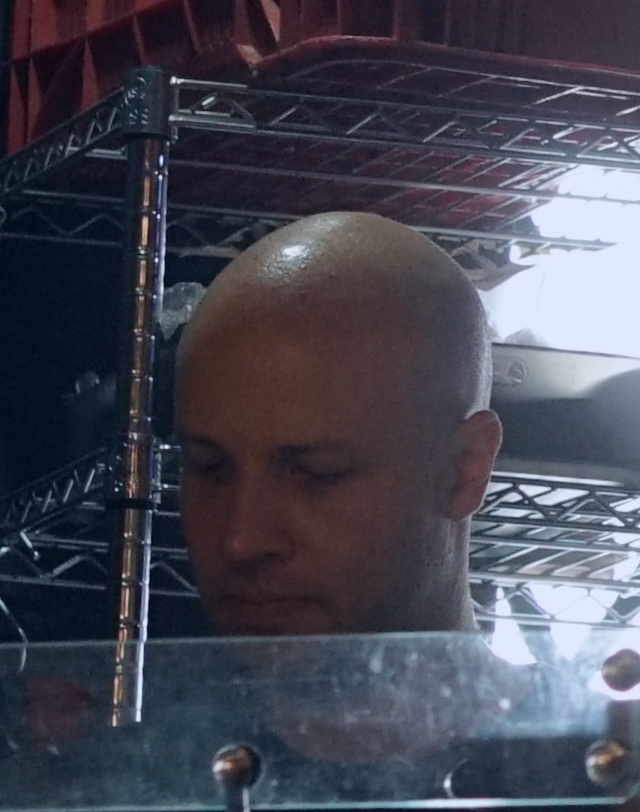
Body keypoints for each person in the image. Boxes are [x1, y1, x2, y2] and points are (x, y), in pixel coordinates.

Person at [167, 208, 500, 636]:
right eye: (208, 468)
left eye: (317, 475)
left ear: (463, 471)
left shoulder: (574, 706)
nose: (241, 541)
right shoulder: (121, 704)